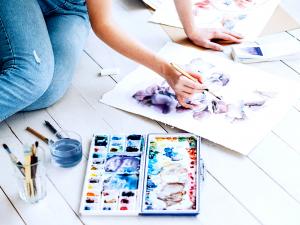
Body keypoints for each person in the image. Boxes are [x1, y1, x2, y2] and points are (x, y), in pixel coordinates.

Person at [0, 0, 242, 122]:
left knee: (47, 90)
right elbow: (105, 26)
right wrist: (166, 71)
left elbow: (102, 21)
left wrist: (192, 28)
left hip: (70, 9)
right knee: (31, 78)